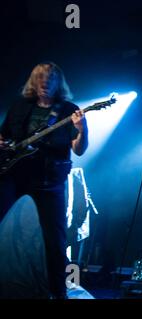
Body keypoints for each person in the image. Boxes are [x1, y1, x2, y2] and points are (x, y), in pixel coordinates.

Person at [0, 62, 88, 299]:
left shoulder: (68, 110)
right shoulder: (20, 106)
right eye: (39, 79)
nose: (44, 83)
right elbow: (4, 134)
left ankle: (59, 293)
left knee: (55, 240)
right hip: (14, 175)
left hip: (49, 181)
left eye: (49, 80)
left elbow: (79, 150)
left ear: (57, 83)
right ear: (33, 82)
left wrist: (82, 129)